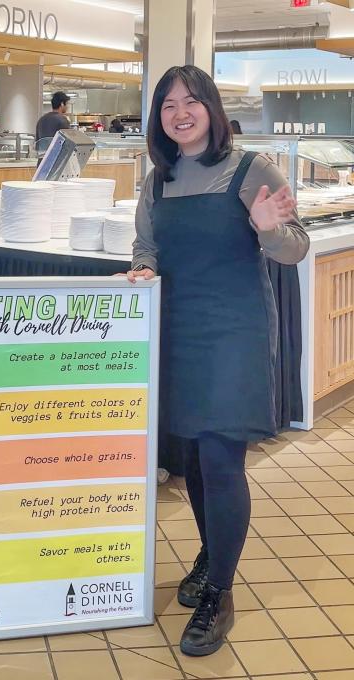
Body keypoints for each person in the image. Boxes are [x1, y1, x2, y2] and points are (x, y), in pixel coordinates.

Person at [128, 65, 309, 657]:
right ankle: (211, 554)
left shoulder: (251, 168)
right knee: (195, 462)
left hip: (234, 331)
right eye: (167, 105)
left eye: (191, 102)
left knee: (221, 458)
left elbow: (295, 247)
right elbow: (147, 246)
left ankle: (220, 593)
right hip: (179, 329)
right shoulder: (156, 179)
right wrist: (143, 270)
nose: (180, 113)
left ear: (212, 107)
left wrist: (267, 229)